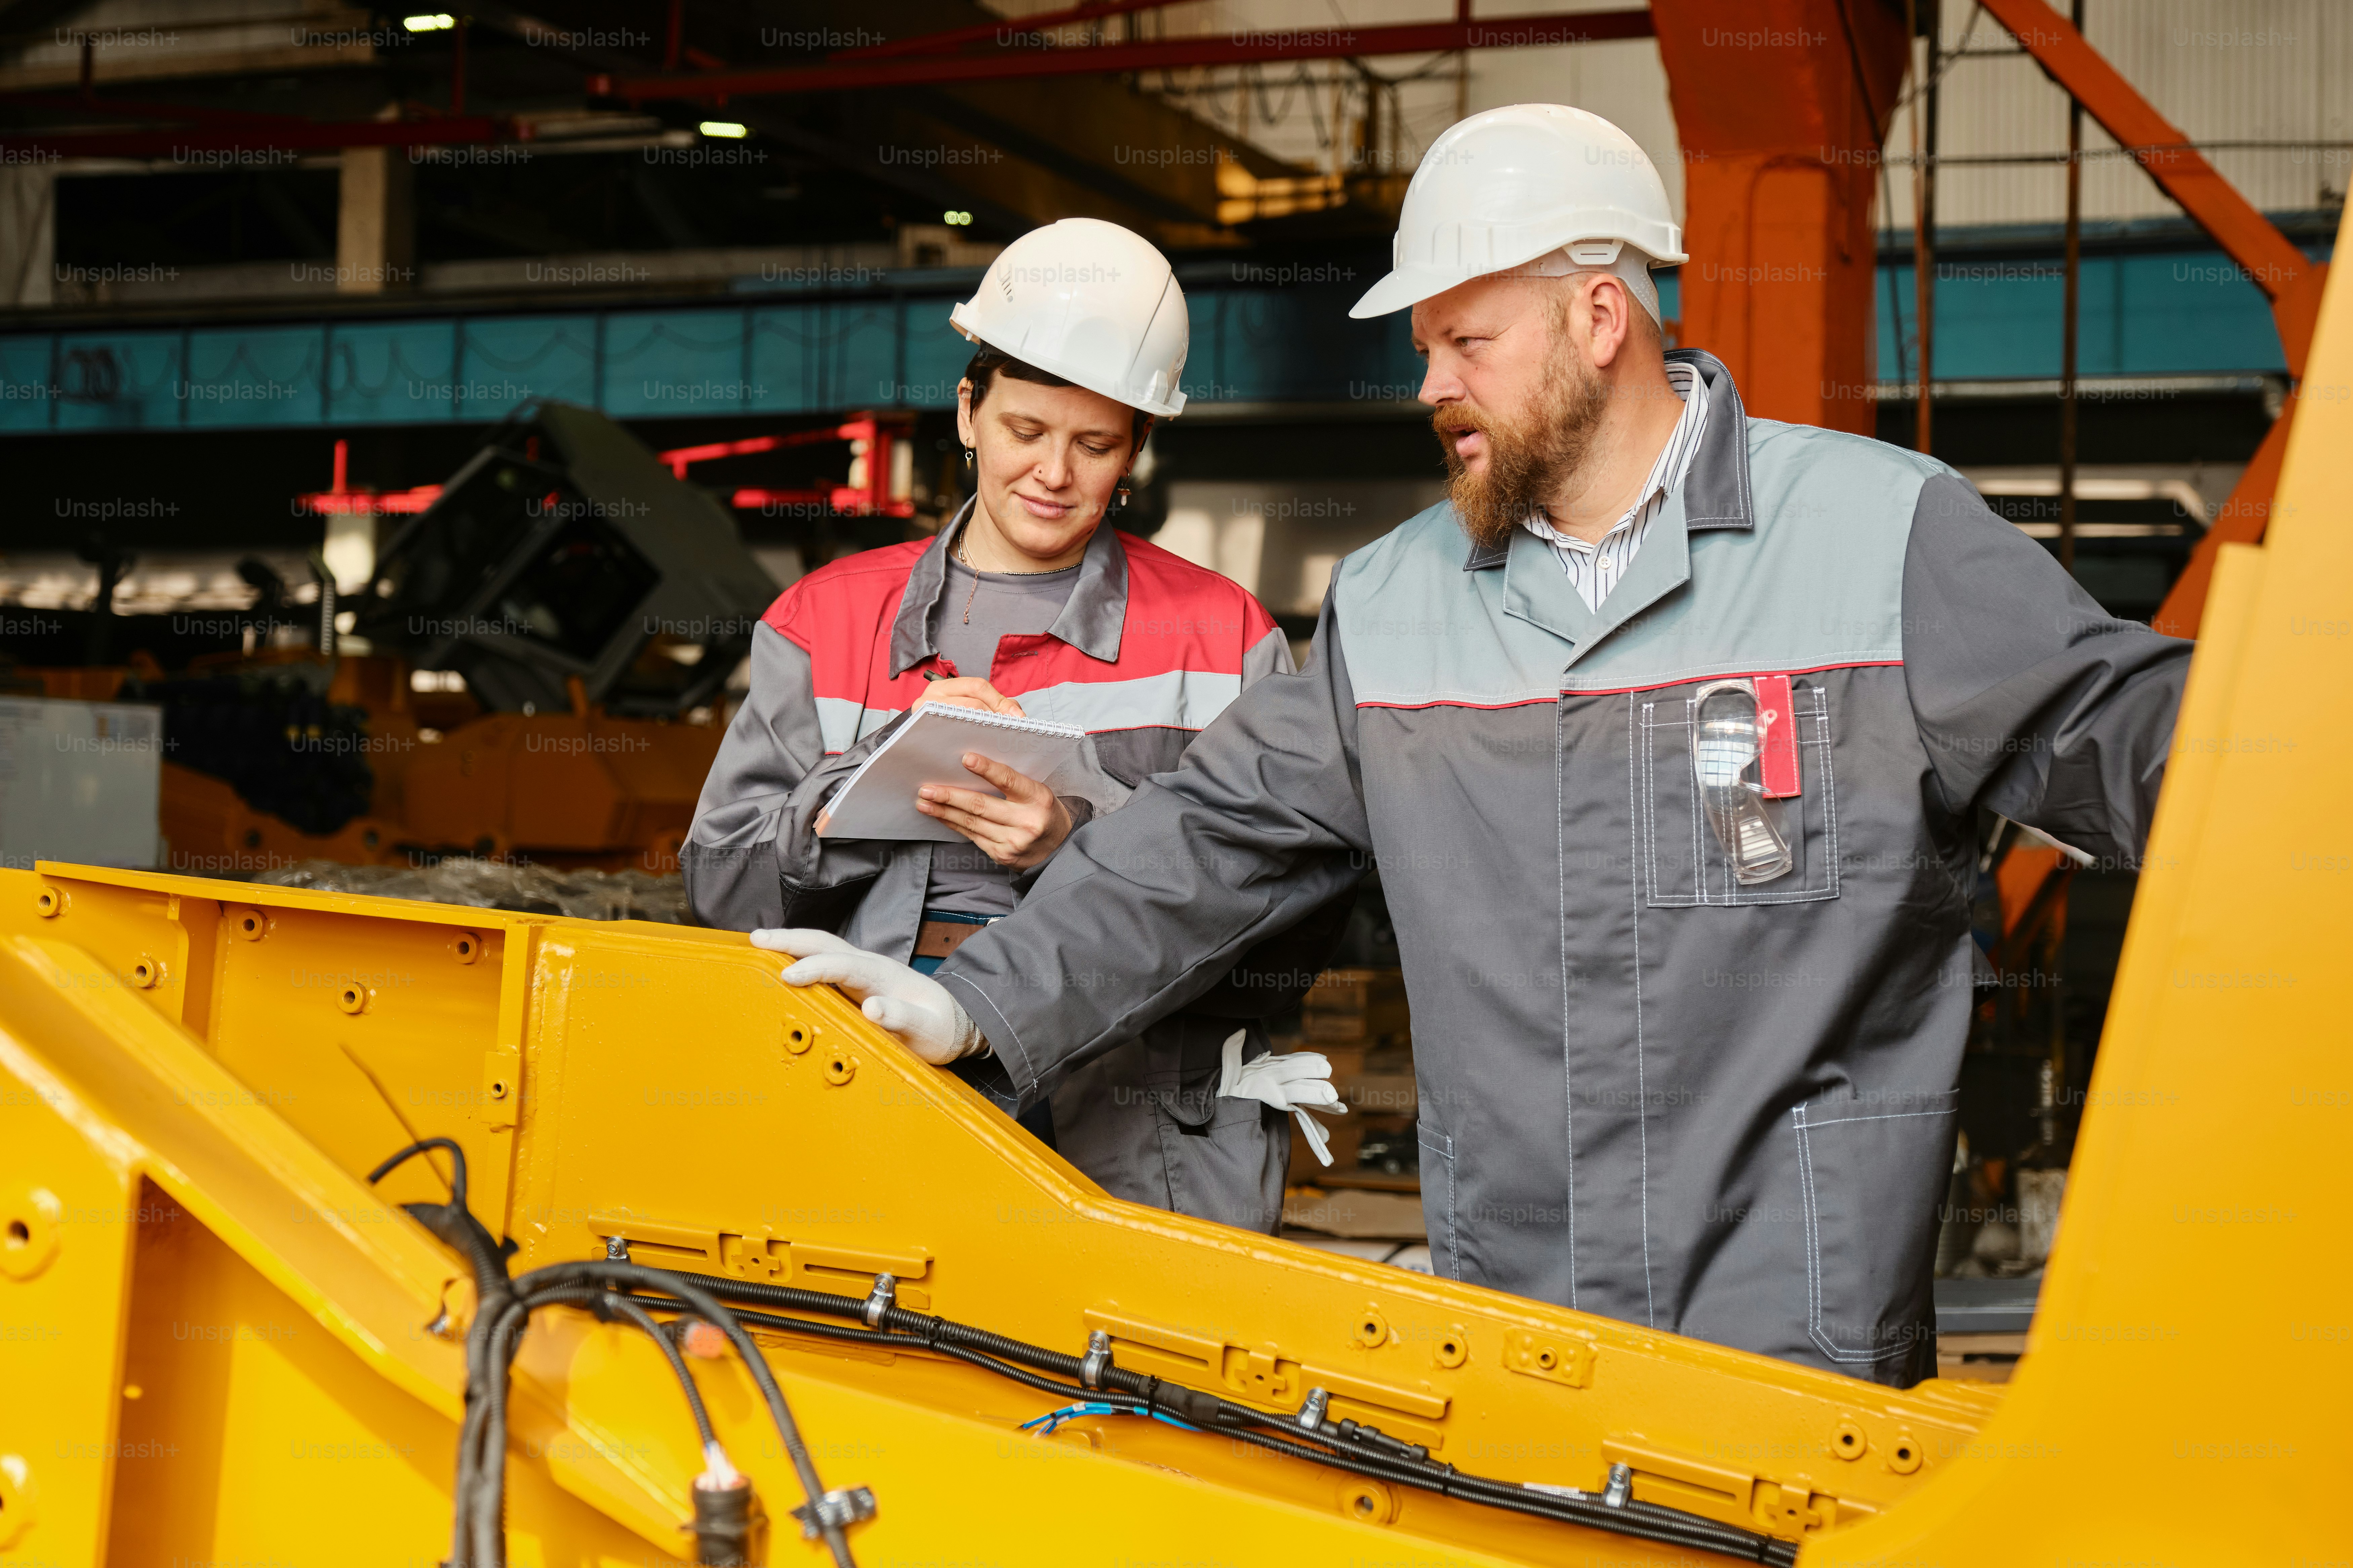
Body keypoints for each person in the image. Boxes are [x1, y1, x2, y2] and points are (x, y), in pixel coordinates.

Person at [757, 106, 2194, 1388]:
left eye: (1466, 343)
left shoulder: (1880, 540)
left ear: (1598, 316)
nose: (1430, 383)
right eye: (1423, 349)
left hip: (1798, 1340)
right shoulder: (1396, 606)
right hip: (1511, 1340)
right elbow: (1205, 842)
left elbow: (2153, 749)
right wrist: (975, 1002)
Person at [684, 218, 1350, 1234]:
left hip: (1132, 1130)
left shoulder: (1223, 639)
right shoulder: (824, 621)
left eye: (1094, 446)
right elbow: (722, 890)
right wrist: (864, 779)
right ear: (969, 412)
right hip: (867, 1083)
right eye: (1025, 432)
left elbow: (1289, 934)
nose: (1053, 474)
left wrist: (1076, 841)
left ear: (1138, 448)